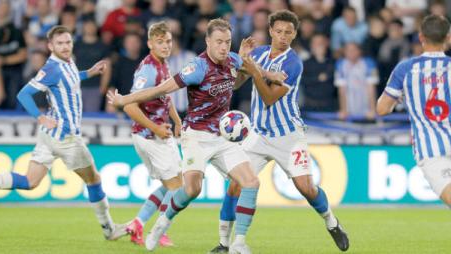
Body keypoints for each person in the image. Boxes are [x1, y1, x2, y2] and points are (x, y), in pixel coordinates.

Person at [108, 18, 260, 254]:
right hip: (196, 136)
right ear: (207, 41)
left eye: (227, 42)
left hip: (221, 135)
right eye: (219, 42)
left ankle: (236, 243)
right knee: (191, 190)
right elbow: (160, 90)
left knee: (250, 182)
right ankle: (161, 224)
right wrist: (124, 100)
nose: (223, 47)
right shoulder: (196, 67)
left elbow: (234, 84)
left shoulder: (233, 60)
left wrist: (247, 66)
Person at [209, 10, 349, 253]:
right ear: (271, 30)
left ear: (294, 35)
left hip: (288, 136)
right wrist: (241, 65)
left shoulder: (293, 63)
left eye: (288, 32)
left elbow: (270, 98)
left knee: (306, 188)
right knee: (235, 185)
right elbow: (236, 85)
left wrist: (253, 71)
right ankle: (224, 243)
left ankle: (331, 222)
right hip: (258, 134)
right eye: (279, 31)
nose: (283, 36)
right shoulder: (259, 53)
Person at [0, 25, 127, 241]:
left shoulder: (68, 62)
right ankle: (110, 230)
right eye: (60, 43)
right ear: (50, 46)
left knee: (30, 181)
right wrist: (39, 116)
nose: (65, 46)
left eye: (68, 42)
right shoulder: (52, 68)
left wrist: (89, 73)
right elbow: (23, 94)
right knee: (94, 180)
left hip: (48, 136)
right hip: (66, 137)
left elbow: (70, 80)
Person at [377, 14, 451, 206]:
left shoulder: (405, 69)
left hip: (431, 150)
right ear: (448, 38)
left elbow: (382, 109)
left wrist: (402, 97)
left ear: (421, 37)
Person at [122, 21, 182, 248]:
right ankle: (159, 230)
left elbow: (164, 97)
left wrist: (176, 120)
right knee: (178, 186)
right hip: (150, 136)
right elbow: (129, 106)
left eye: (168, 41)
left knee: (172, 184)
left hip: (159, 134)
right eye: (160, 42)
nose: (166, 45)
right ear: (150, 44)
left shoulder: (163, 64)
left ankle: (137, 223)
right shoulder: (147, 69)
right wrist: (156, 128)